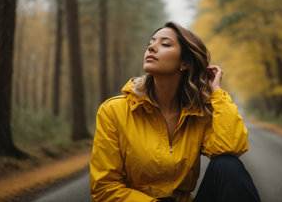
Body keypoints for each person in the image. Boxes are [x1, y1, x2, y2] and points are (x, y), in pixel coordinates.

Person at [89, 21, 261, 202]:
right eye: (150, 43)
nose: (152, 48)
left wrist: (217, 92)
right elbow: (104, 188)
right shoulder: (113, 111)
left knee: (227, 166)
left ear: (184, 62)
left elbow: (230, 147)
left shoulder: (197, 114)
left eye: (165, 44)